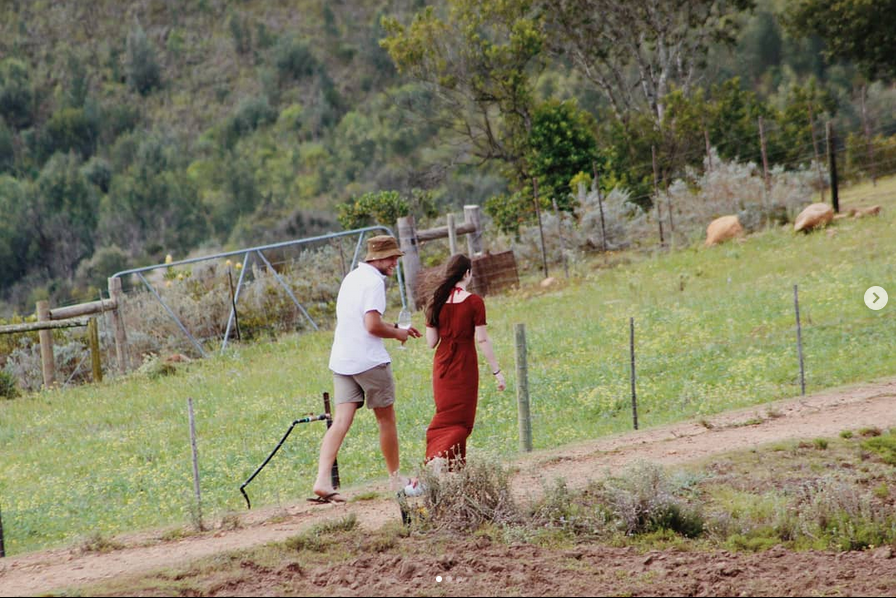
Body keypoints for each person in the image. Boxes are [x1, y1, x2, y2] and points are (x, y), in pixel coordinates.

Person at [312, 235, 421, 503]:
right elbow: (372, 325)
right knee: (386, 420)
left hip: (342, 359)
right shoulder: (374, 282)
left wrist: (395, 329)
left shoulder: (352, 278)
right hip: (368, 360)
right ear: (379, 259)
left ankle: (322, 480)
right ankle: (396, 478)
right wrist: (399, 333)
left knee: (340, 421)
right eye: (392, 258)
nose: (395, 262)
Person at [423, 253, 505, 470]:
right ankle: (439, 458)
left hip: (442, 366)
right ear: (467, 273)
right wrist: (497, 372)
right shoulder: (474, 302)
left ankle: (453, 469)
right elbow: (482, 339)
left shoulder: (436, 301)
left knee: (445, 415)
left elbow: (431, 342)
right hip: (464, 365)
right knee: (462, 421)